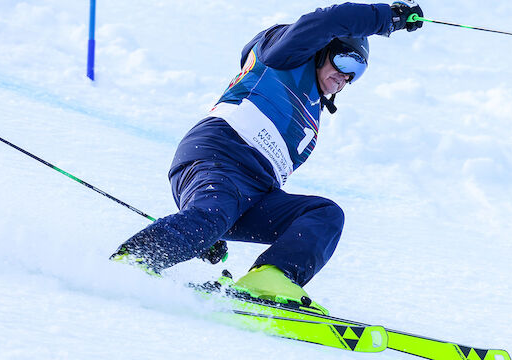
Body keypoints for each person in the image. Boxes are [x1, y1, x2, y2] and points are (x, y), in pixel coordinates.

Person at [111, 1, 424, 312]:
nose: (346, 76)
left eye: (357, 71)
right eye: (345, 60)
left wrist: (211, 231)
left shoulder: (313, 109)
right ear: (321, 48)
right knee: (214, 213)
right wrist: (389, 18)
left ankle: (269, 279)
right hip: (221, 154)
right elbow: (331, 20)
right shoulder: (286, 54)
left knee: (324, 215)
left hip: (256, 190)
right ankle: (131, 263)